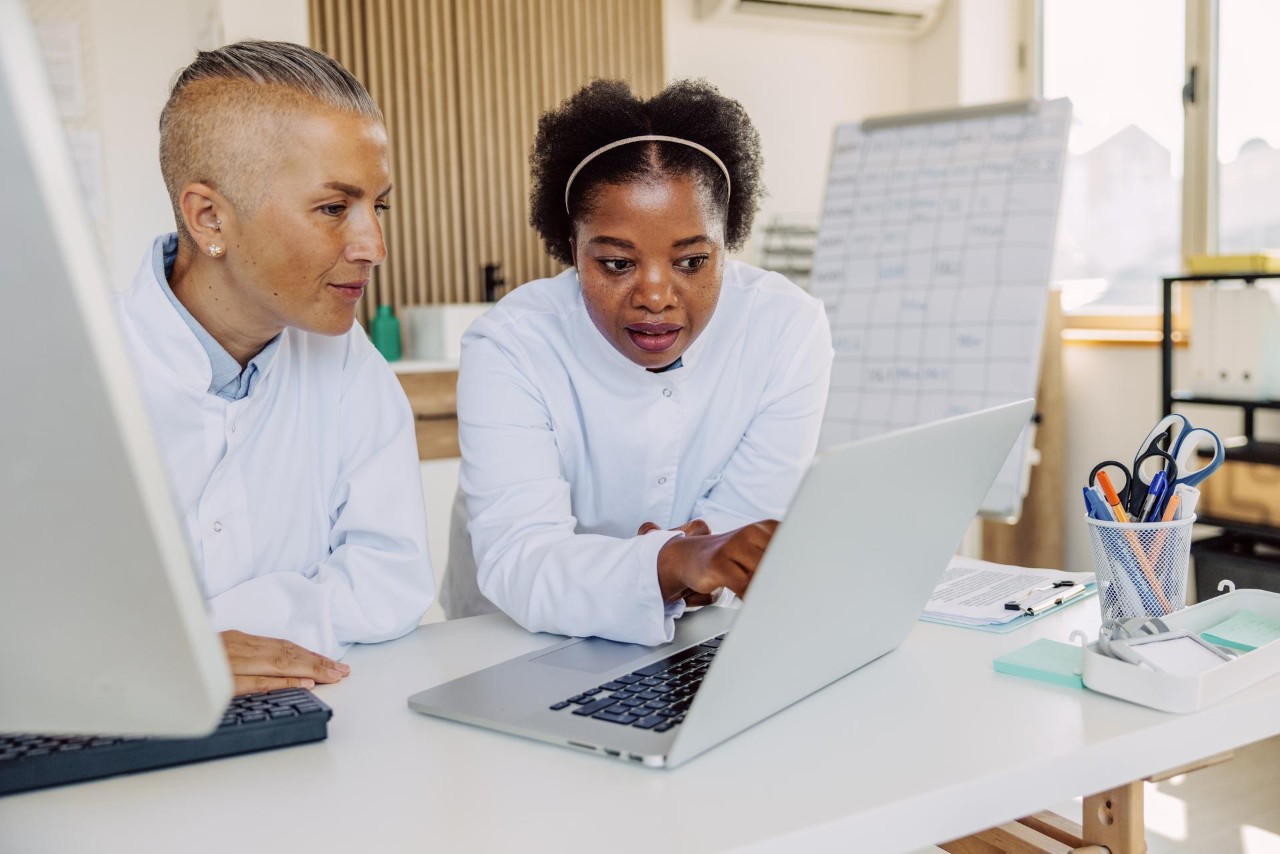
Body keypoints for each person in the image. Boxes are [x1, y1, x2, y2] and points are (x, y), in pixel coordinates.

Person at [442, 79, 832, 645]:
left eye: (693, 261)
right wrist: (672, 561)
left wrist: (699, 561)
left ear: (730, 246)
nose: (655, 294)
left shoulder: (786, 330)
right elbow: (522, 557)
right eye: (618, 264)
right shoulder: (512, 345)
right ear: (571, 250)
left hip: (690, 637)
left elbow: (745, 528)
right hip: (507, 640)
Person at [116, 41, 434, 693]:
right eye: (332, 208)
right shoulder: (74, 376)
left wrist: (195, 639)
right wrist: (160, 652)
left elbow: (392, 580)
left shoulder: (347, 363)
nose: (374, 245)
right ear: (209, 218)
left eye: (379, 205)